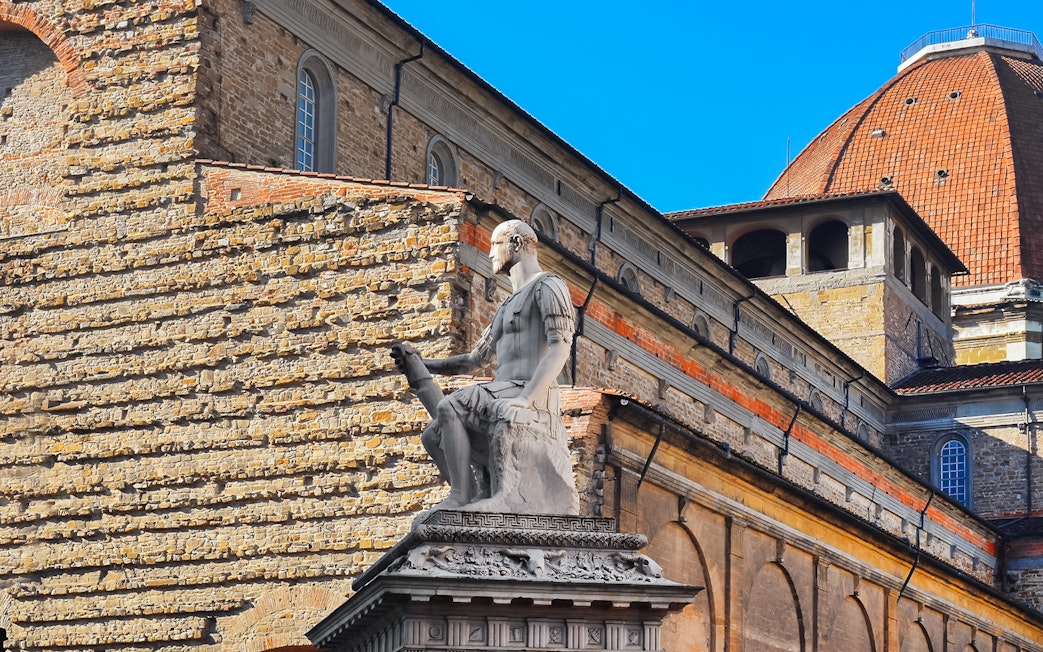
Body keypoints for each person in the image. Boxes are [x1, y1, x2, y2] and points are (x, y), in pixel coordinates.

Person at [392, 219, 576, 511]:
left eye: (495, 245)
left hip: (531, 394)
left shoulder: (549, 286)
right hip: (503, 390)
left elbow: (561, 346)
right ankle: (475, 493)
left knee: (449, 406)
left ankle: (460, 496)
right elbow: (472, 361)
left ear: (516, 244)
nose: (490, 253)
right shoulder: (505, 306)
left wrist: (525, 399)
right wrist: (421, 363)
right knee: (432, 435)